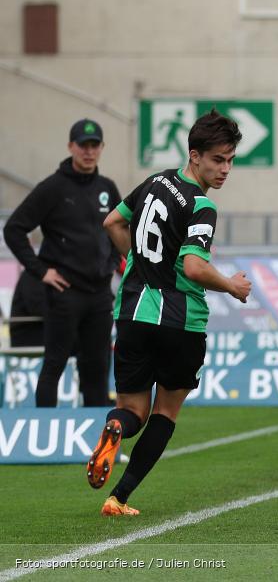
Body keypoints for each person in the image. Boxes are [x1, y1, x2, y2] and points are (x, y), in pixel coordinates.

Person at [85, 109, 252, 516]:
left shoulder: (155, 181)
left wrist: (139, 262)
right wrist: (231, 285)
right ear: (195, 156)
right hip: (180, 321)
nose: (225, 169)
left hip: (132, 314)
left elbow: (111, 223)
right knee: (165, 412)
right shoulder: (200, 206)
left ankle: (116, 429)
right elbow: (194, 267)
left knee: (132, 410)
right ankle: (118, 498)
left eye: (230, 160)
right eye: (218, 160)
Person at [3, 118, 122, 407]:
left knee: (97, 368)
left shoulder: (107, 187)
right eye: (83, 145)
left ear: (102, 148)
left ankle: (96, 445)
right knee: (55, 364)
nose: (89, 151)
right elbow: (14, 229)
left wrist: (120, 261)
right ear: (71, 146)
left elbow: (121, 230)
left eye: (94, 145)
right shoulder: (53, 188)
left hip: (99, 296)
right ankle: (47, 439)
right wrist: (41, 271)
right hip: (65, 293)